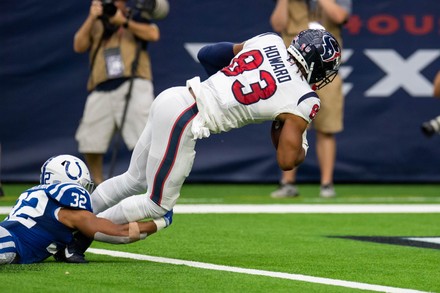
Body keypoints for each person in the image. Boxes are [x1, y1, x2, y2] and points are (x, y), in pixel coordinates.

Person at [61, 29, 341, 261]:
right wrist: (294, 135)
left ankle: (63, 219)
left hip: (175, 96)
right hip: (186, 118)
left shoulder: (270, 40)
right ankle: (76, 233)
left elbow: (207, 54)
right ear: (318, 65)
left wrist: (227, 84)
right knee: (158, 206)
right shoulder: (304, 98)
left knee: (132, 179)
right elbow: (287, 159)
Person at [0, 155, 172, 264]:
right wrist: (160, 222)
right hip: (10, 243)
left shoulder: (36, 194)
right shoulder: (68, 211)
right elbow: (118, 232)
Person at [270, 0, 352, 198]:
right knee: (290, 124)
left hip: (326, 72)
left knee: (327, 129)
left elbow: (340, 16)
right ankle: (287, 182)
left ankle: (326, 184)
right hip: (293, 73)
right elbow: (278, 24)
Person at [74, 0, 160, 185]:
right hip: (101, 87)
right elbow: (79, 46)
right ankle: (97, 182)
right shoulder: (97, 23)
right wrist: (92, 17)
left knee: (144, 137)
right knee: (90, 139)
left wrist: (123, 22)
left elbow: (153, 34)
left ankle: (151, 182)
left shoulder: (134, 16)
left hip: (133, 82)